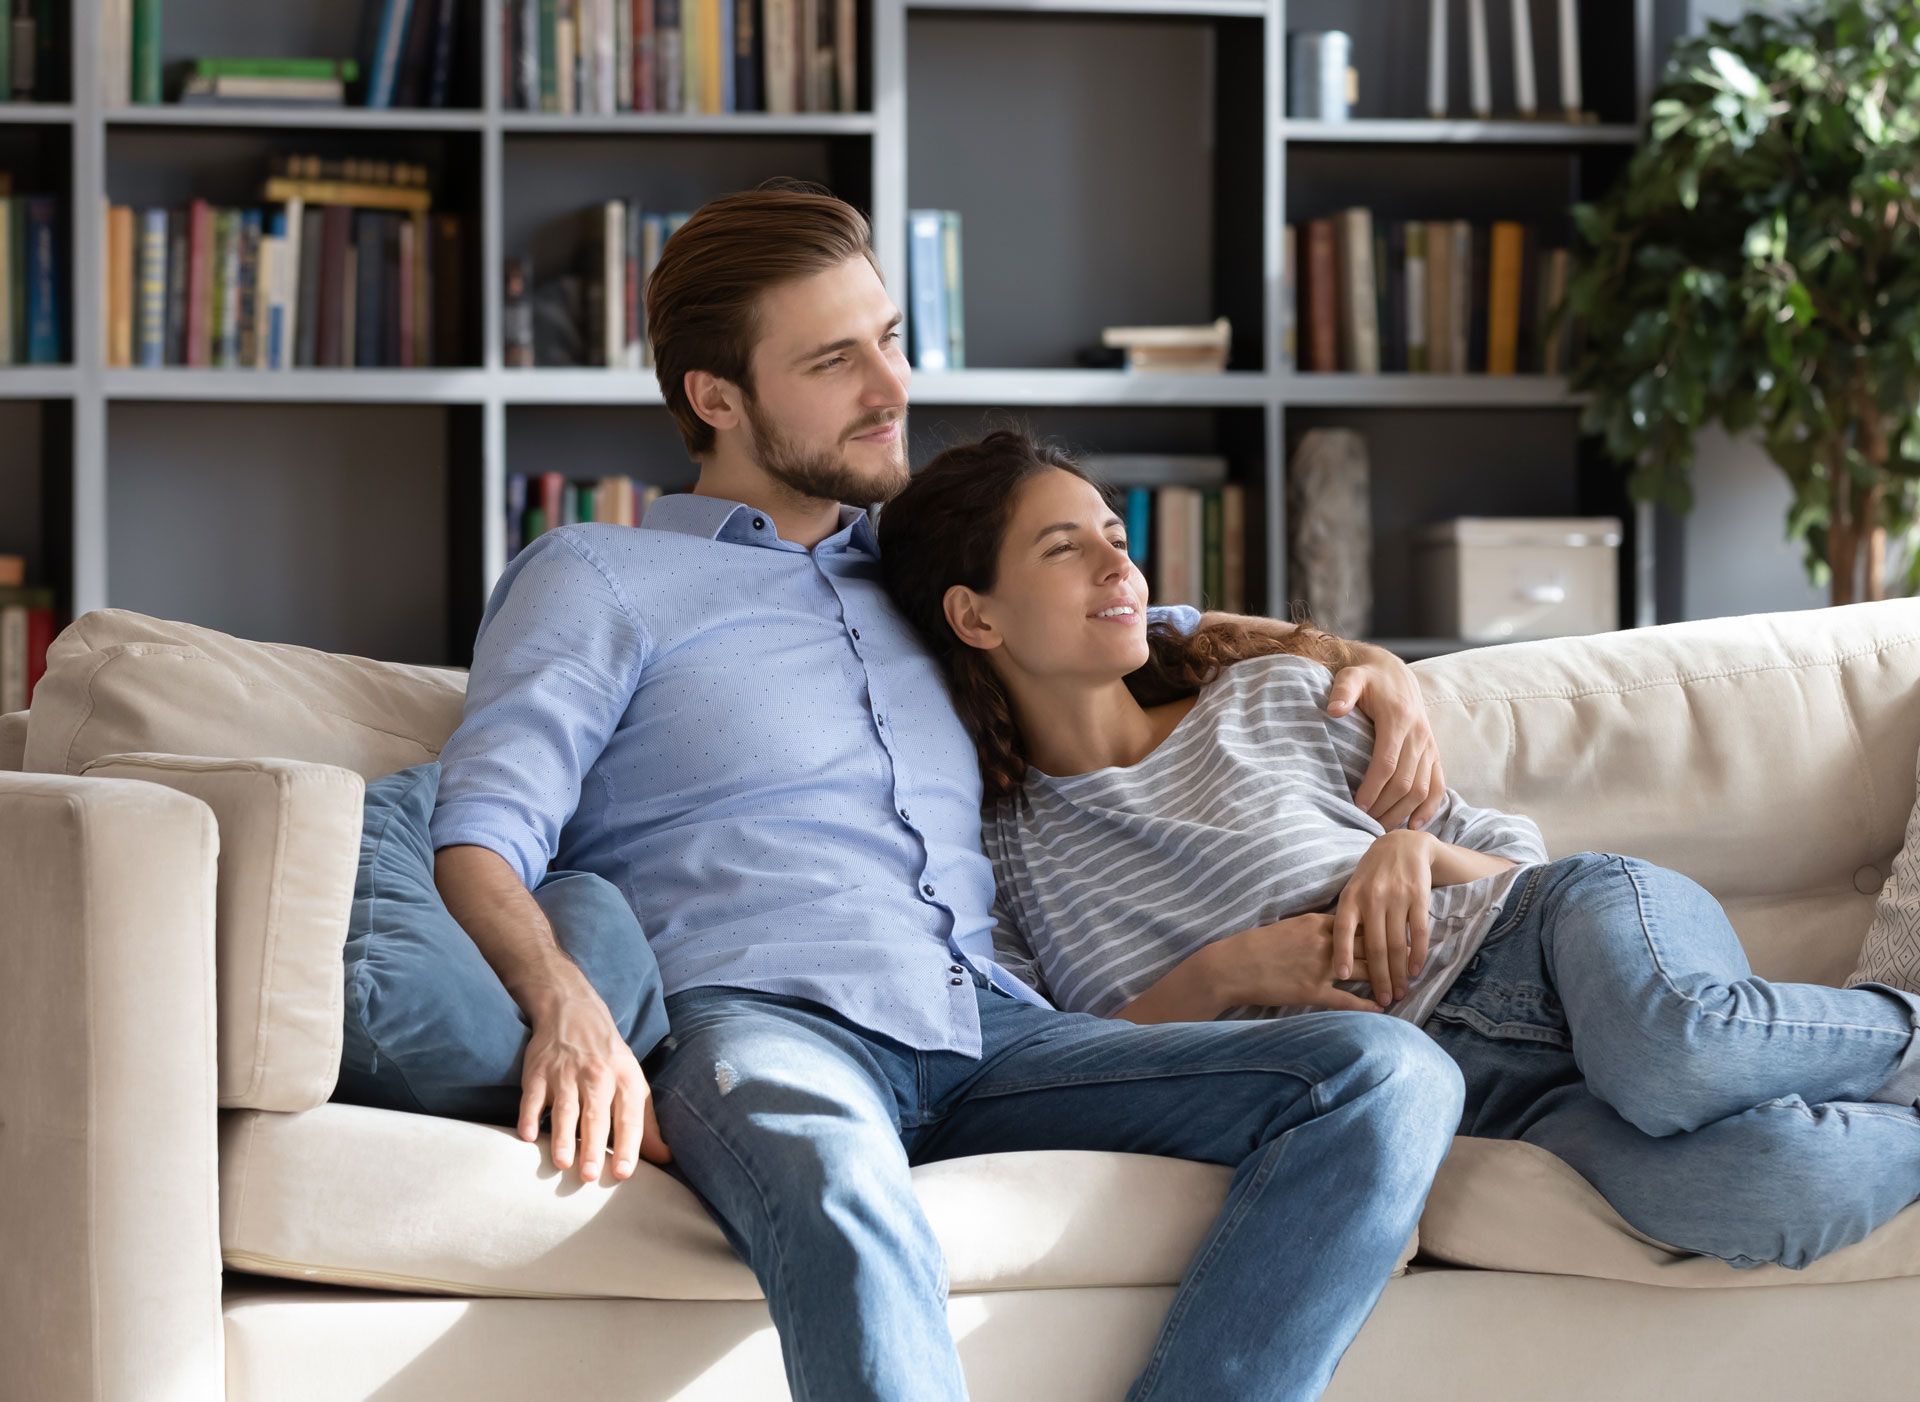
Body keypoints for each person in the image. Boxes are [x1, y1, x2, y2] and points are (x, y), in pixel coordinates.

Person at [428, 179, 1467, 1401]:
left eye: (892, 339)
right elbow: (482, 833)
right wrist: (568, 1003)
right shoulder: (599, 578)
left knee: (1388, 1077)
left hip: (991, 1031)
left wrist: (1366, 662)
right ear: (716, 397)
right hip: (762, 1030)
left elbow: (1147, 619)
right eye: (834, 361)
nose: (893, 389)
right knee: (840, 1184)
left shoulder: (931, 573)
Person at [875, 427, 1920, 1275]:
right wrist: (1226, 972)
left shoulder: (1274, 694)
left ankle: (1895, 1028)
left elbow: (1523, 866)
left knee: (1672, 1049)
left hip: (1554, 946)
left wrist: (1410, 853)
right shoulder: (992, 855)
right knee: (1773, 1185)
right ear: (974, 614)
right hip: (1490, 1097)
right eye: (1066, 549)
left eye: (1115, 533)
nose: (1121, 564)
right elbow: (1059, 1063)